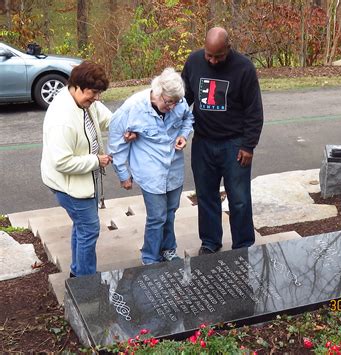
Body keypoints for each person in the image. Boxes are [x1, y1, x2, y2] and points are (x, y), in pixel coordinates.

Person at [182, 27, 264, 255]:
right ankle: (210, 242)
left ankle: (243, 244)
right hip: (203, 142)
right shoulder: (194, 61)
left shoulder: (244, 67)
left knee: (239, 199)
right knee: (206, 195)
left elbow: (254, 110)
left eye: (218, 56)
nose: (212, 60)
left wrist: (248, 145)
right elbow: (184, 99)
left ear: (229, 47)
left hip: (234, 144)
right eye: (209, 55)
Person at [108, 67, 194, 265]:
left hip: (173, 169)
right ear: (157, 92)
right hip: (150, 171)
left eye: (175, 102)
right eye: (168, 102)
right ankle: (150, 257)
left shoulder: (178, 103)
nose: (172, 106)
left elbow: (188, 118)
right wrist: (123, 174)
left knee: (170, 212)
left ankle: (168, 249)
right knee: (157, 217)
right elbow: (116, 143)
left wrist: (183, 135)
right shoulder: (133, 108)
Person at [41, 61, 113, 277]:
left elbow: (108, 119)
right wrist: (95, 161)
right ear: (76, 86)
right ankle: (85, 282)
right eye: (93, 93)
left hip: (83, 181)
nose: (97, 99)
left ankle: (77, 273)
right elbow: (61, 162)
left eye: (99, 93)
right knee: (89, 229)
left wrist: (126, 127)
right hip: (69, 186)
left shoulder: (85, 103)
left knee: (82, 227)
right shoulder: (62, 119)